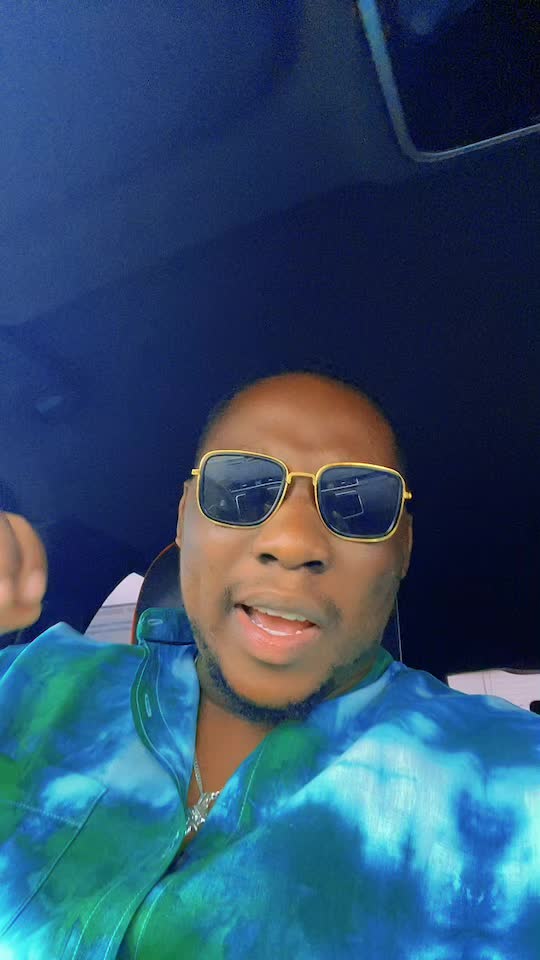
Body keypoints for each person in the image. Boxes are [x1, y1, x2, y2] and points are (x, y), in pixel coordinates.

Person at [0, 370, 538, 959]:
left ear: (402, 548)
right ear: (183, 519)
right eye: (240, 489)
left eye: (358, 505)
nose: (292, 542)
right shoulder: (28, 684)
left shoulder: (510, 788)